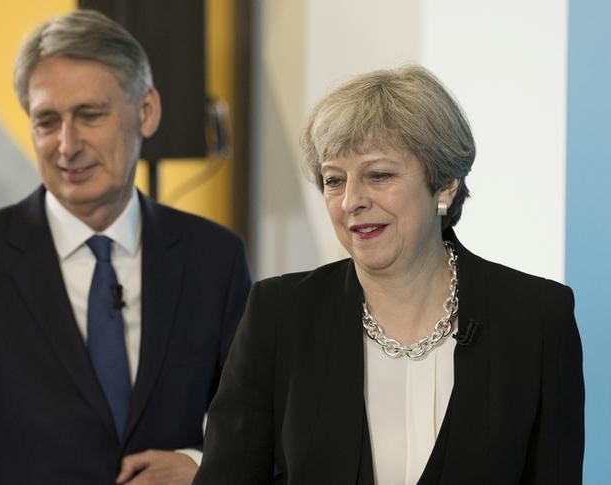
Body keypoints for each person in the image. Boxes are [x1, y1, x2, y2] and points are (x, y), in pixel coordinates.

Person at [0, 9, 250, 485]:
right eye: (47, 121)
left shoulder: (213, 258)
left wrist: (201, 466)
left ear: (146, 112)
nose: (66, 145)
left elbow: (259, 432)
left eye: (89, 115)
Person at [193, 65, 584, 484]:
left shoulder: (537, 318)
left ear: (446, 184)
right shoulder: (279, 315)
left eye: (379, 175)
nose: (351, 202)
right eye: (333, 180)